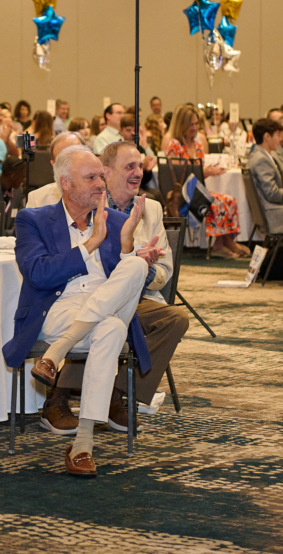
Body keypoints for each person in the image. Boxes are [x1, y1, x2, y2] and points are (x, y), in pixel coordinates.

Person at [6, 146, 164, 476]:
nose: (100, 184)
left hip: (106, 307)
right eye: (90, 177)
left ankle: (81, 434)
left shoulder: (118, 221)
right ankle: (81, 443)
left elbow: (132, 287)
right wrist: (91, 243)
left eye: (100, 177)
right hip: (58, 310)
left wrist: (128, 248)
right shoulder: (33, 220)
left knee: (134, 270)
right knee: (112, 328)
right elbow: (38, 274)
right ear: (66, 183)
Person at [36, 141, 188, 435]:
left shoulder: (151, 208)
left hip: (136, 296)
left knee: (176, 319)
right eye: (130, 166)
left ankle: (116, 395)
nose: (138, 173)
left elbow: (165, 272)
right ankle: (59, 398)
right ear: (106, 172)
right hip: (89, 294)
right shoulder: (86, 203)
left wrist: (142, 267)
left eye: (140, 166)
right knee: (101, 312)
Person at [164, 105, 249, 258]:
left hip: (198, 191)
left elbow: (198, 172)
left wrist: (209, 170)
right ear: (182, 124)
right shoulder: (174, 145)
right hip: (183, 195)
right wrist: (205, 172)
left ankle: (223, 242)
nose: (195, 127)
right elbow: (176, 175)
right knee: (217, 202)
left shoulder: (198, 145)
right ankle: (223, 244)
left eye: (196, 123)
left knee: (229, 200)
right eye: (191, 124)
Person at [248, 118, 283, 234]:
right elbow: (272, 193)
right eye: (278, 135)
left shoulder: (258, 155)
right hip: (274, 214)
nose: (280, 139)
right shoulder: (261, 160)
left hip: (270, 210)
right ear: (267, 136)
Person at [26, 132, 88, 208]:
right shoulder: (37, 200)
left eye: (77, 155)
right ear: (54, 165)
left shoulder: (98, 193)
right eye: (64, 160)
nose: (73, 164)